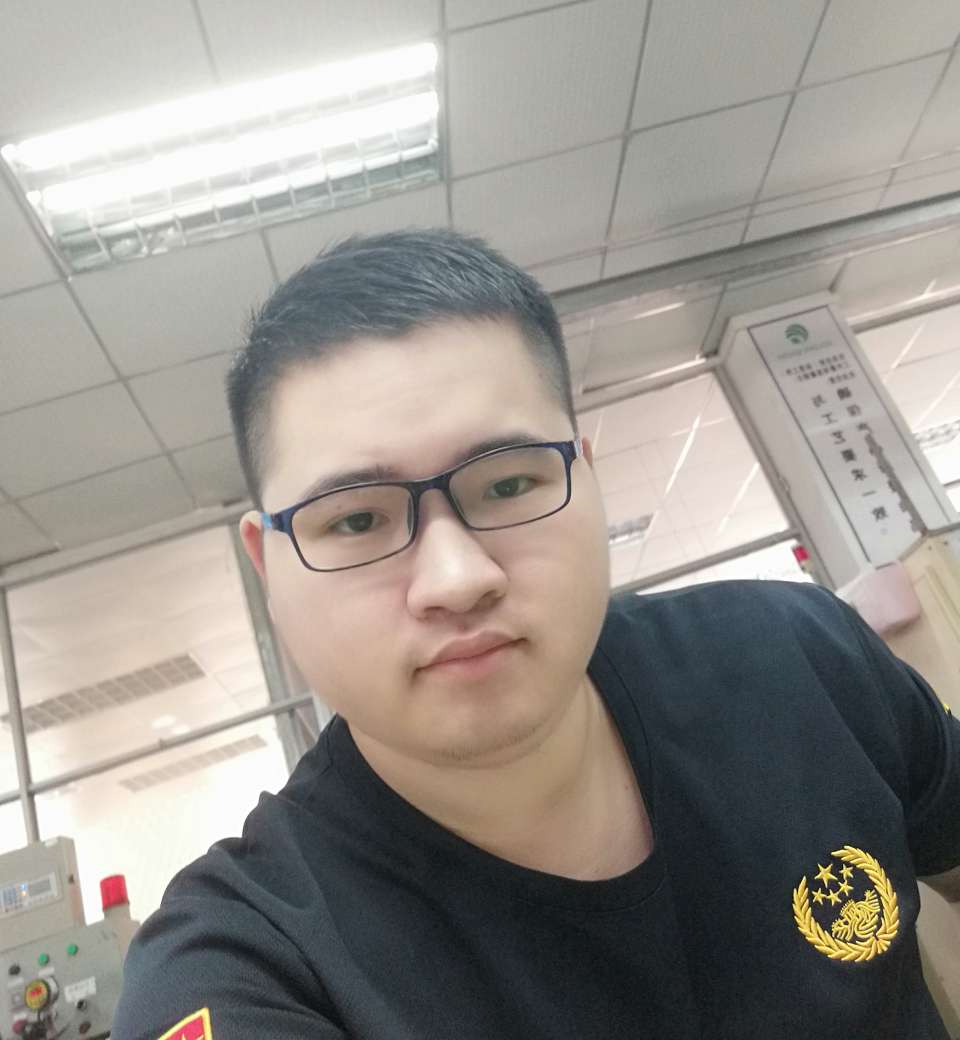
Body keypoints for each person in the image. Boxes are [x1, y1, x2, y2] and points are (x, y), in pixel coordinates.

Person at [113, 228, 960, 1040]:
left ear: (585, 472)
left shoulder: (796, 661)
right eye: (357, 520)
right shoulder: (249, 960)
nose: (457, 578)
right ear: (269, 568)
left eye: (509, 483)